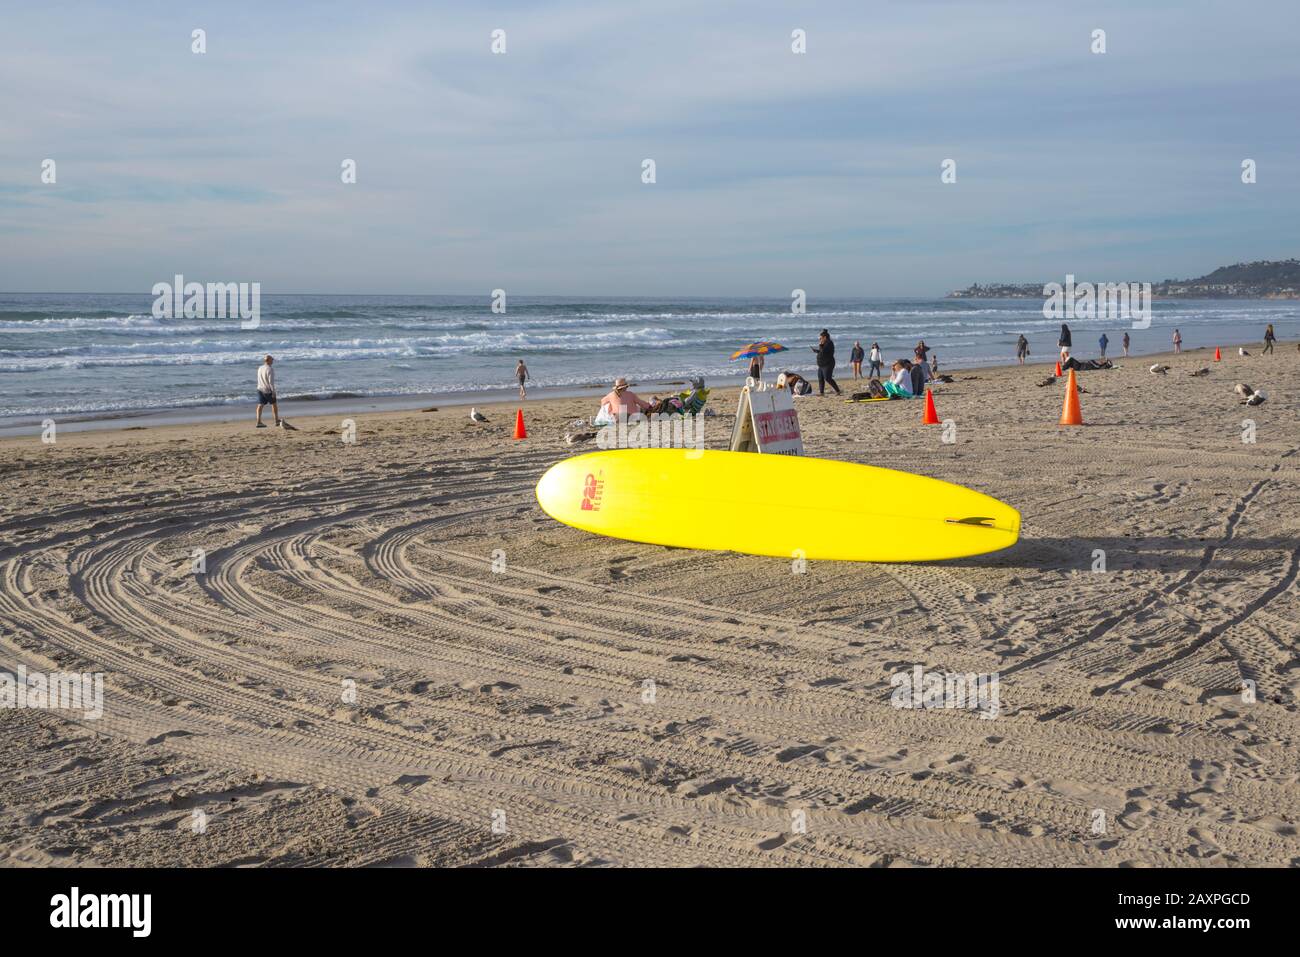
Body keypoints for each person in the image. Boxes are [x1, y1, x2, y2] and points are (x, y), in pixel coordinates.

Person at [811, 329, 841, 396]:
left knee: (827, 378)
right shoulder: (824, 343)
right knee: (820, 378)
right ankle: (821, 393)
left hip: (828, 363)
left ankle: (838, 391)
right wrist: (816, 351)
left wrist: (820, 346)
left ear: (825, 337)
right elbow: (822, 352)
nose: (820, 339)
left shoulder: (829, 343)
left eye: (821, 338)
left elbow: (824, 352)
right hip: (821, 364)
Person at [255, 355, 281, 428]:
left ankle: (258, 421)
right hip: (267, 390)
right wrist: (273, 392)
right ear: (268, 360)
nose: (273, 361)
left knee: (260, 405)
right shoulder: (270, 369)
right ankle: (276, 421)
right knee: (274, 404)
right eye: (272, 359)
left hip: (260, 388)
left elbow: (259, 378)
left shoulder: (260, 368)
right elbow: (271, 382)